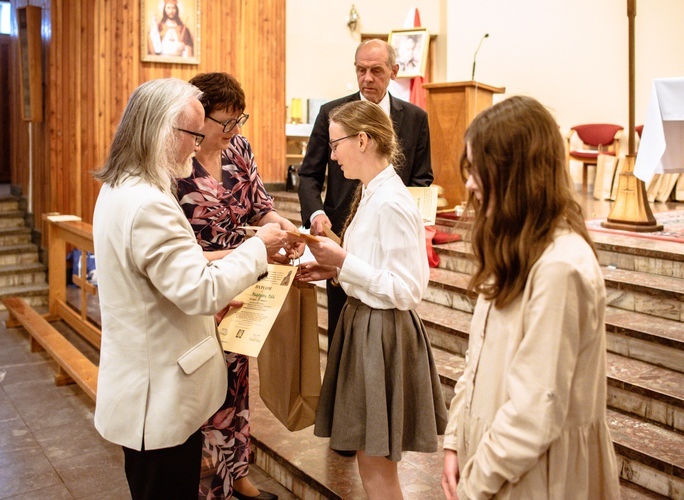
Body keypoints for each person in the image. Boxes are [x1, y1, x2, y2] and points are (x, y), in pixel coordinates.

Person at [91, 78, 288, 499]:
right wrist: (256, 249)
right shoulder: (149, 204)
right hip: (158, 393)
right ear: (163, 131)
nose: (196, 146)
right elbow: (199, 291)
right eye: (192, 135)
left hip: (152, 380)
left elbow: (167, 272)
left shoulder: (122, 186)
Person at [440, 96, 621, 499]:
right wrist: (456, 439)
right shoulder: (514, 247)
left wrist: (476, 483)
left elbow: (535, 410)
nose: (469, 184)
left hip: (536, 474)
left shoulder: (561, 266)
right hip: (495, 459)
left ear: (515, 173)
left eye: (478, 171)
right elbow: (479, 359)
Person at [296, 100, 448, 499]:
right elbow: (372, 264)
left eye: (336, 144)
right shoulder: (371, 192)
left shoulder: (392, 201)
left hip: (382, 334)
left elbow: (408, 288)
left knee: (377, 468)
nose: (332, 155)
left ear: (362, 140)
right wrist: (333, 269)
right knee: (369, 462)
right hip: (364, 325)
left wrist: (343, 261)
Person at [177, 72, 303, 500]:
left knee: (237, 381)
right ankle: (200, 480)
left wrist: (287, 232)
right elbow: (177, 252)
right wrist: (251, 251)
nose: (233, 132)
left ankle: (236, 477)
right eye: (224, 122)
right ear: (197, 116)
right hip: (198, 284)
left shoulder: (238, 149)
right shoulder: (177, 161)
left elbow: (261, 208)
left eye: (238, 121)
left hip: (243, 281)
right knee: (200, 386)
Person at [297, 38, 433, 358]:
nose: (367, 78)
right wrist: (316, 214)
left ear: (393, 71)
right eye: (361, 70)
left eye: (376, 70)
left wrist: (406, 220)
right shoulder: (332, 113)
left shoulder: (414, 118)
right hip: (340, 235)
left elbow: (422, 179)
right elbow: (309, 174)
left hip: (389, 236)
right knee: (342, 338)